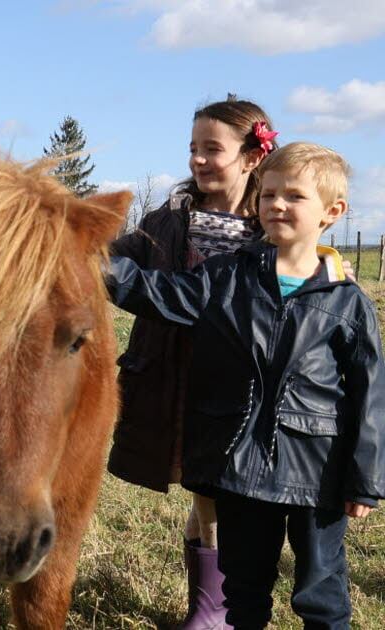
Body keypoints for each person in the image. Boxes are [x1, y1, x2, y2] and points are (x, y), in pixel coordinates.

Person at [107, 142, 384, 629]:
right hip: (238, 468)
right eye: (269, 194)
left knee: (321, 593)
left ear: (332, 212)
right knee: (244, 589)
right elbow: (155, 292)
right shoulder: (224, 278)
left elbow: (370, 395)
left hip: (317, 473)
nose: (277, 204)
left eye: (294, 196)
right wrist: (89, 261)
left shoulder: (346, 302)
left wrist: (366, 479)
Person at [108, 96, 276, 628]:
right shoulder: (166, 220)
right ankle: (210, 607)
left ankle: (216, 604)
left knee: (221, 490)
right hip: (174, 373)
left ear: (252, 156)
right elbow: (110, 258)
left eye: (212, 149)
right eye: (193, 147)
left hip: (240, 378)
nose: (198, 160)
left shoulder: (270, 226)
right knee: (206, 488)